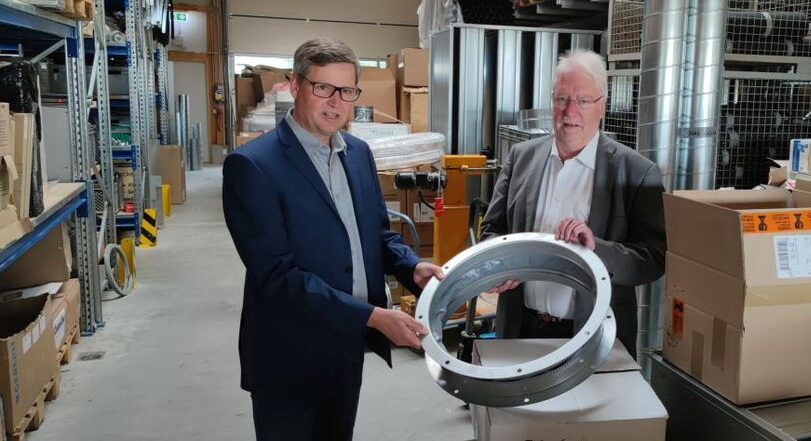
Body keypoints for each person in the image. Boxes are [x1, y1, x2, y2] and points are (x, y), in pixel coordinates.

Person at [222, 38, 444, 441]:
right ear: (295, 85)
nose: (335, 103)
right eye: (323, 87)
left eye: (347, 91)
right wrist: (373, 316)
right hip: (288, 355)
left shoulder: (357, 153)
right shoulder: (253, 165)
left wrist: (411, 267)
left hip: (346, 347)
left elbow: (376, 233)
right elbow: (277, 276)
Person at [480, 49, 667, 359]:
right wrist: (499, 265)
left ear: (602, 105)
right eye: (561, 98)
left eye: (583, 101)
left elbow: (653, 258)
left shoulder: (637, 172)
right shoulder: (521, 157)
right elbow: (492, 228)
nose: (570, 111)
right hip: (519, 329)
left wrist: (596, 249)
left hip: (596, 337)